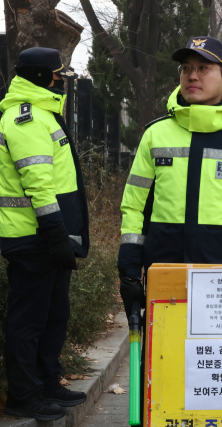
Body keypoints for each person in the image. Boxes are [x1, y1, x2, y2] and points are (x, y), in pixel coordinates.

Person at [118, 36, 222, 364]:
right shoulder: (156, 134)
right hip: (165, 268)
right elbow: (135, 203)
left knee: (219, 365)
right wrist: (128, 262)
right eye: (186, 69)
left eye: (203, 68)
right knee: (163, 363)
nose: (192, 76)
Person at [0, 47, 89, 421]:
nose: (62, 81)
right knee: (29, 319)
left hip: (50, 236)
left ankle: (46, 381)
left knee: (54, 313)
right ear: (39, 77)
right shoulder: (25, 119)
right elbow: (38, 183)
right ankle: (24, 394)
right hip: (32, 237)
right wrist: (55, 233)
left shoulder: (44, 113)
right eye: (57, 75)